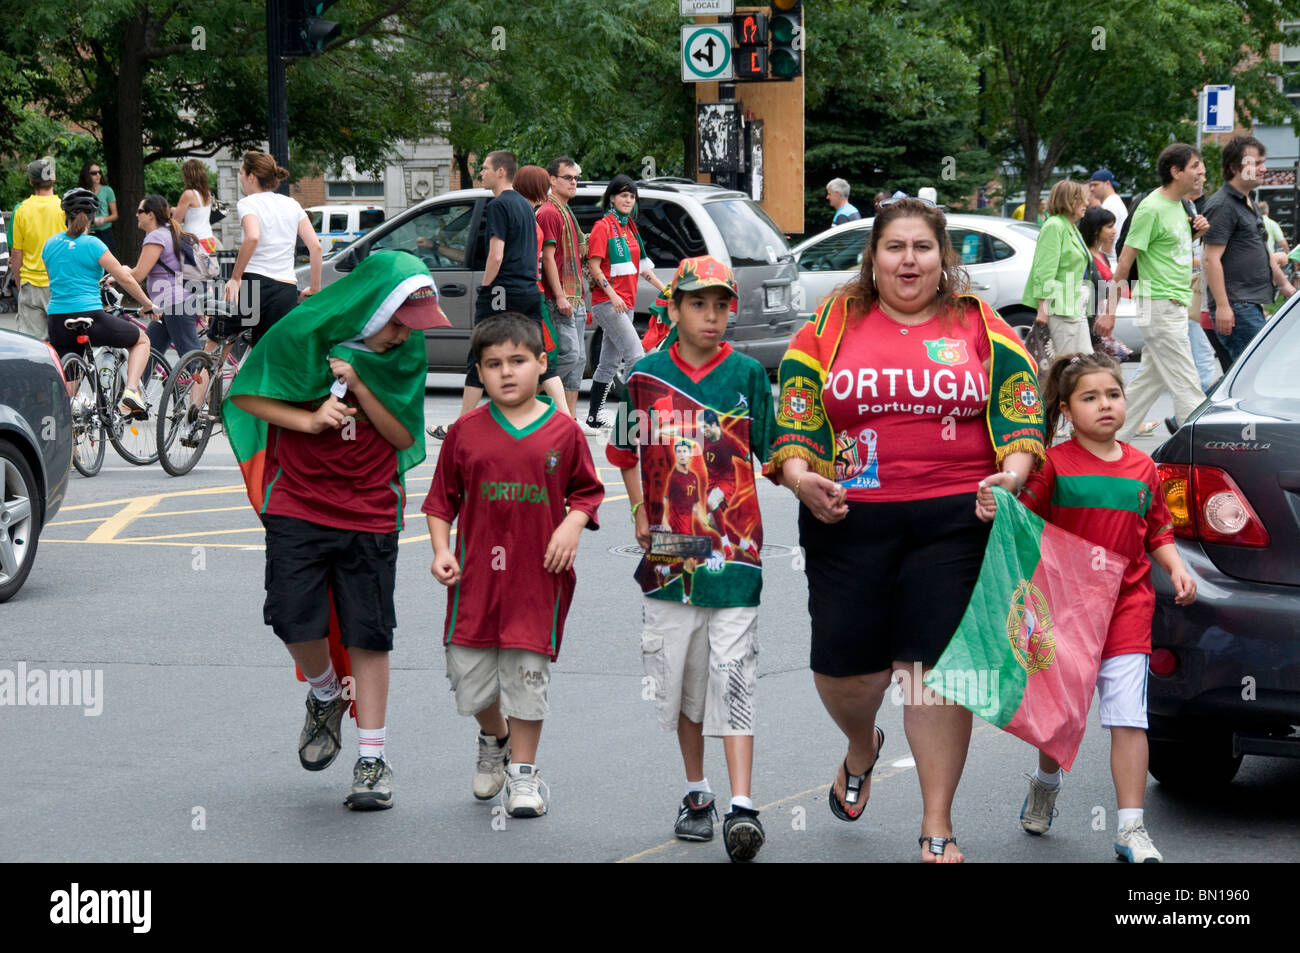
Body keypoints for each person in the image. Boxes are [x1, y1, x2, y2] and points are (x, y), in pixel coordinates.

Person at [766, 197, 1045, 863]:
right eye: (896, 247)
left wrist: (1013, 473)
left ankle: (937, 824)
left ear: (943, 258)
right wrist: (803, 478)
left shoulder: (979, 324)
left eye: (923, 247)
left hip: (955, 518)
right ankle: (862, 746)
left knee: (933, 673)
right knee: (847, 671)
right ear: (873, 257)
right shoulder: (833, 322)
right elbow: (796, 414)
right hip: (847, 514)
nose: (910, 259)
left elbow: (1020, 407)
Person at [224, 250, 450, 811]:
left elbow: (403, 438)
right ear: (374, 307)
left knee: (369, 632)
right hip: (298, 501)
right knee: (290, 616)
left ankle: (371, 758)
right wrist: (310, 417)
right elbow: (245, 394)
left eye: (414, 327)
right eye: (399, 322)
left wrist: (362, 385)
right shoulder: (303, 332)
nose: (405, 336)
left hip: (371, 508)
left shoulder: (406, 351)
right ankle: (325, 693)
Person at [975, 351, 1196, 863]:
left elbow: (1157, 528)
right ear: (1067, 410)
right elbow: (1021, 518)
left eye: (1113, 395)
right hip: (1064, 612)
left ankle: (1131, 829)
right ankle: (1045, 783)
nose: (1105, 406)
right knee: (1060, 717)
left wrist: (1177, 566)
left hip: (1126, 608)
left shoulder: (1145, 467)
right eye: (1090, 397)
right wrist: (995, 503)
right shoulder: (1053, 464)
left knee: (1128, 717)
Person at [606, 255, 776, 862]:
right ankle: (697, 791)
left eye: (722, 305)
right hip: (670, 557)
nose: (711, 316)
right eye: (698, 304)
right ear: (672, 309)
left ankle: (743, 806)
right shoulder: (643, 377)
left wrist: (821, 474)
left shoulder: (750, 376)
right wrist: (639, 517)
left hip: (737, 553)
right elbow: (624, 452)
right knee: (680, 684)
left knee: (735, 674)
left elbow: (776, 452)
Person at [424, 313, 603, 818]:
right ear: (479, 372)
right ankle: (493, 737)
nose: (507, 373)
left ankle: (523, 774)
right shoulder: (464, 432)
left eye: (518, 361)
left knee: (527, 675)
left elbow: (587, 493)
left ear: (541, 364)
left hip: (536, 579)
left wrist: (571, 525)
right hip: (475, 579)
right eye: (494, 364)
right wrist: (441, 550)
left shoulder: (563, 431)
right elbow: (441, 502)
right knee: (469, 679)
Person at [1098, 143, 1209, 442]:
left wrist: (1195, 231)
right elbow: (1124, 263)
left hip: (1173, 305)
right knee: (1187, 382)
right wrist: (1108, 311)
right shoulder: (1150, 208)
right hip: (1158, 305)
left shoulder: (1182, 206)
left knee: (1150, 379)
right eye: (1196, 165)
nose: (1202, 171)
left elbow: (1169, 250)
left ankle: (1112, 436)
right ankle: (1202, 445)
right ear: (1176, 171)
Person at [43, 188, 160, 409]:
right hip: (89, 316)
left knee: (69, 389)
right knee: (142, 340)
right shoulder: (93, 244)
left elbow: (56, 282)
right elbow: (125, 278)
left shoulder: (49, 245)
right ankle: (131, 392)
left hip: (57, 320)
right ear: (91, 217)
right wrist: (148, 304)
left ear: (65, 215)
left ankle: (71, 439)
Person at [1202, 136, 1295, 364]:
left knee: (1248, 375)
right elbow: (1210, 260)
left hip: (1248, 304)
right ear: (1234, 167)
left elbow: (1261, 249)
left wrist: (1285, 286)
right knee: (1257, 372)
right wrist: (1223, 306)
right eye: (1255, 163)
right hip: (1237, 306)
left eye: (1263, 162)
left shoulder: (1248, 201)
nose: (1263, 169)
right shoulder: (1223, 204)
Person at [584, 175, 667, 430]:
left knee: (608, 363)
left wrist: (668, 289)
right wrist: (613, 295)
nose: (628, 199)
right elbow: (594, 267)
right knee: (635, 355)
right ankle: (635, 417)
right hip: (608, 304)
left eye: (631, 196)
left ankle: (594, 417)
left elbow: (644, 268)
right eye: (623, 195)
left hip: (626, 305)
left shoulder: (629, 228)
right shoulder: (603, 227)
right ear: (612, 197)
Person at [222, 151, 322, 347]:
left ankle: (204, 376)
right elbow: (316, 247)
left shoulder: (248, 203)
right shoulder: (292, 204)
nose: (241, 178)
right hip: (285, 289)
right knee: (268, 352)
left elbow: (252, 236)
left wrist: (235, 278)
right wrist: (315, 288)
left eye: (242, 173)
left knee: (218, 339)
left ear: (251, 177)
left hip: (254, 283)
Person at [511, 164, 569, 415]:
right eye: (544, 184)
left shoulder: (527, 216)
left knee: (544, 354)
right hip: (532, 291)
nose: (547, 189)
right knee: (543, 353)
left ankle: (562, 417)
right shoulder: (531, 216)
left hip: (523, 291)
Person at [538, 156, 589, 421]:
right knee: (568, 354)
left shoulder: (566, 210)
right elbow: (547, 258)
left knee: (578, 361)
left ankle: (570, 419)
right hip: (558, 299)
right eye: (567, 177)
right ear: (552, 180)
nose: (573, 182)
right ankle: (534, 398)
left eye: (576, 178)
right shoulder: (548, 211)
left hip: (576, 297)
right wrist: (559, 296)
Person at [1023, 179, 1093, 357]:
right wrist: (1043, 309)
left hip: (1075, 306)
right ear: (1067, 200)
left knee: (1082, 362)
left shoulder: (1070, 226)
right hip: (1061, 309)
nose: (1086, 203)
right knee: (1067, 365)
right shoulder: (1055, 226)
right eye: (1081, 199)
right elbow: (1044, 271)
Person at [128, 193, 201, 360]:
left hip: (176, 304)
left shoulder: (156, 237)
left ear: (151, 214)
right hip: (171, 305)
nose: (136, 215)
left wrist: (117, 275)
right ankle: (135, 386)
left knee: (192, 362)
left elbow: (138, 274)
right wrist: (124, 271)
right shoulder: (167, 232)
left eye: (140, 211)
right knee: (147, 355)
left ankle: (206, 385)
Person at [5, 157, 64, 340]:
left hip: (31, 283)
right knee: (63, 341)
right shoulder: (64, 207)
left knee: (34, 345)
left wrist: (18, 281)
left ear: (31, 181)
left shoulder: (21, 210)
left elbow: (16, 253)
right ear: (53, 178)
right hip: (60, 282)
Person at [171, 159, 218, 254]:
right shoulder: (208, 193)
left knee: (191, 269)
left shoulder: (188, 194)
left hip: (193, 241)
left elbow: (176, 221)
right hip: (208, 240)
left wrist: (172, 211)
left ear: (187, 176)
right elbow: (196, 215)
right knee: (207, 268)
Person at [1089, 169, 1128, 264]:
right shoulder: (1113, 201)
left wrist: (1104, 259)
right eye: (1091, 185)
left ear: (1107, 184)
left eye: (1095, 184)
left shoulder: (1110, 204)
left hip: (1110, 259)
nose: (1092, 189)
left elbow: (1109, 236)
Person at [79, 161, 118, 257]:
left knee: (108, 264)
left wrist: (104, 219)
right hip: (88, 232)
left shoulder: (107, 190)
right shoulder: (82, 192)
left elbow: (115, 215)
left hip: (105, 232)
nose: (98, 175)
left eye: (99, 172)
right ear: (87, 175)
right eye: (94, 173)